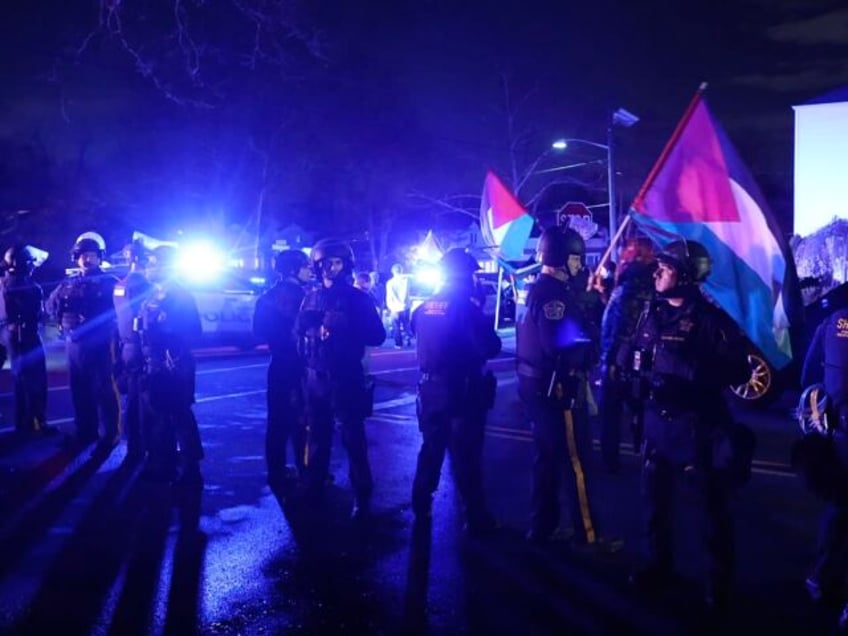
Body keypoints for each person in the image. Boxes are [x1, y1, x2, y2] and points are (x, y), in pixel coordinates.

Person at [619, 239, 751, 611]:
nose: (657, 271)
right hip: (655, 425)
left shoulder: (712, 321)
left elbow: (740, 370)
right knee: (655, 506)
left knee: (710, 511)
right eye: (658, 266)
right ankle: (658, 566)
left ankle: (717, 582)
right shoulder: (650, 312)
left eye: (666, 267)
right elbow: (634, 357)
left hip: (696, 430)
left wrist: (693, 374)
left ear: (687, 275)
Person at [516, 227, 615, 550]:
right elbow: (561, 345)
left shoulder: (540, 289)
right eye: (575, 258)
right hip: (559, 387)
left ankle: (542, 526)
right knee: (576, 461)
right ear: (562, 259)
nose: (579, 264)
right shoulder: (555, 296)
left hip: (537, 386)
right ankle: (589, 535)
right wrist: (591, 341)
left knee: (546, 459)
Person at [410, 248, 502, 535]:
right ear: (464, 276)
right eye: (473, 274)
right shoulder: (467, 308)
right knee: (466, 454)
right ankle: (475, 516)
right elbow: (490, 346)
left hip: (430, 388)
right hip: (462, 389)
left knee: (431, 447)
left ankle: (420, 502)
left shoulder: (423, 307)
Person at [297, 238, 386, 518]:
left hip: (345, 374)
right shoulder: (310, 297)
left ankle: (361, 492)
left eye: (336, 262)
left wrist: (344, 325)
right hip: (314, 375)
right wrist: (309, 328)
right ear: (317, 264)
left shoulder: (357, 298)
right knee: (318, 436)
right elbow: (296, 334)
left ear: (345, 265)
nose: (331, 268)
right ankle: (314, 486)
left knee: (352, 436)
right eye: (326, 262)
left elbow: (377, 335)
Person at [799, 301, 848, 631]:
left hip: (840, 434)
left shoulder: (835, 319)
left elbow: (808, 378)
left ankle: (820, 575)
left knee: (840, 508)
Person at [46, 233, 120, 450]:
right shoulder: (69, 283)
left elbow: (119, 313)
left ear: (99, 258)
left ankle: (111, 434)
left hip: (101, 343)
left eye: (91, 255)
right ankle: (86, 431)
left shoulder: (109, 283)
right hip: (74, 344)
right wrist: (61, 316)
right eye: (83, 256)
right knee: (80, 389)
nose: (87, 259)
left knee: (104, 389)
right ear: (76, 258)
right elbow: (51, 305)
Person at [137, 245, 204, 483]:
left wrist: (169, 345)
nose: (149, 267)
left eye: (155, 262)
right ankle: (161, 463)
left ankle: (191, 467)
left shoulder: (181, 296)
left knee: (179, 416)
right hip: (152, 364)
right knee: (154, 417)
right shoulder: (151, 296)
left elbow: (194, 332)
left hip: (174, 365)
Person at [253, 249, 314, 489]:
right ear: (294, 269)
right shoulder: (306, 297)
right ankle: (304, 468)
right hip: (303, 365)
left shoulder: (266, 296)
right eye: (306, 266)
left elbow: (258, 332)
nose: (310, 270)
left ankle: (276, 471)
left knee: (277, 421)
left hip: (278, 363)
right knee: (304, 419)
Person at [598, 237, 657, 472]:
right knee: (641, 410)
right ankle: (647, 455)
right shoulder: (643, 280)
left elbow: (622, 322)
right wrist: (604, 295)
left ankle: (611, 459)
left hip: (620, 359)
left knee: (611, 413)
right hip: (638, 358)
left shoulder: (632, 279)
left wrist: (610, 358)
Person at [0, 244, 55, 435]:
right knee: (35, 381)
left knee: (19, 380)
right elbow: (37, 315)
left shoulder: (2, 283)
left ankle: (22, 424)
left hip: (9, 336)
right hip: (27, 337)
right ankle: (37, 423)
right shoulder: (29, 287)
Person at [113, 240, 153, 461]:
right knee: (144, 400)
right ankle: (143, 447)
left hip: (126, 345)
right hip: (141, 346)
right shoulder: (144, 285)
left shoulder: (121, 284)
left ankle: (132, 445)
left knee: (131, 398)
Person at [385, 263, 412, 348]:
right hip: (405, 306)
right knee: (406, 323)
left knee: (396, 325)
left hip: (395, 307)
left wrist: (389, 306)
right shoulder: (406, 281)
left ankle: (398, 343)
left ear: (392, 271)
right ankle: (407, 337)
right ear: (401, 270)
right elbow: (408, 293)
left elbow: (390, 295)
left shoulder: (390, 283)